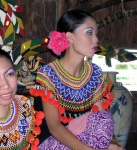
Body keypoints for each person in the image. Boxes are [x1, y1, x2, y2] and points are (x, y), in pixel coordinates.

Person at [29, 10, 124, 150]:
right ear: (70, 37)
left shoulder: (95, 73)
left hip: (86, 141)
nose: (96, 39)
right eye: (89, 32)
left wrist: (113, 143)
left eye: (96, 33)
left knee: (103, 119)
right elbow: (54, 127)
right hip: (54, 141)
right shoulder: (48, 74)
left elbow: (103, 118)